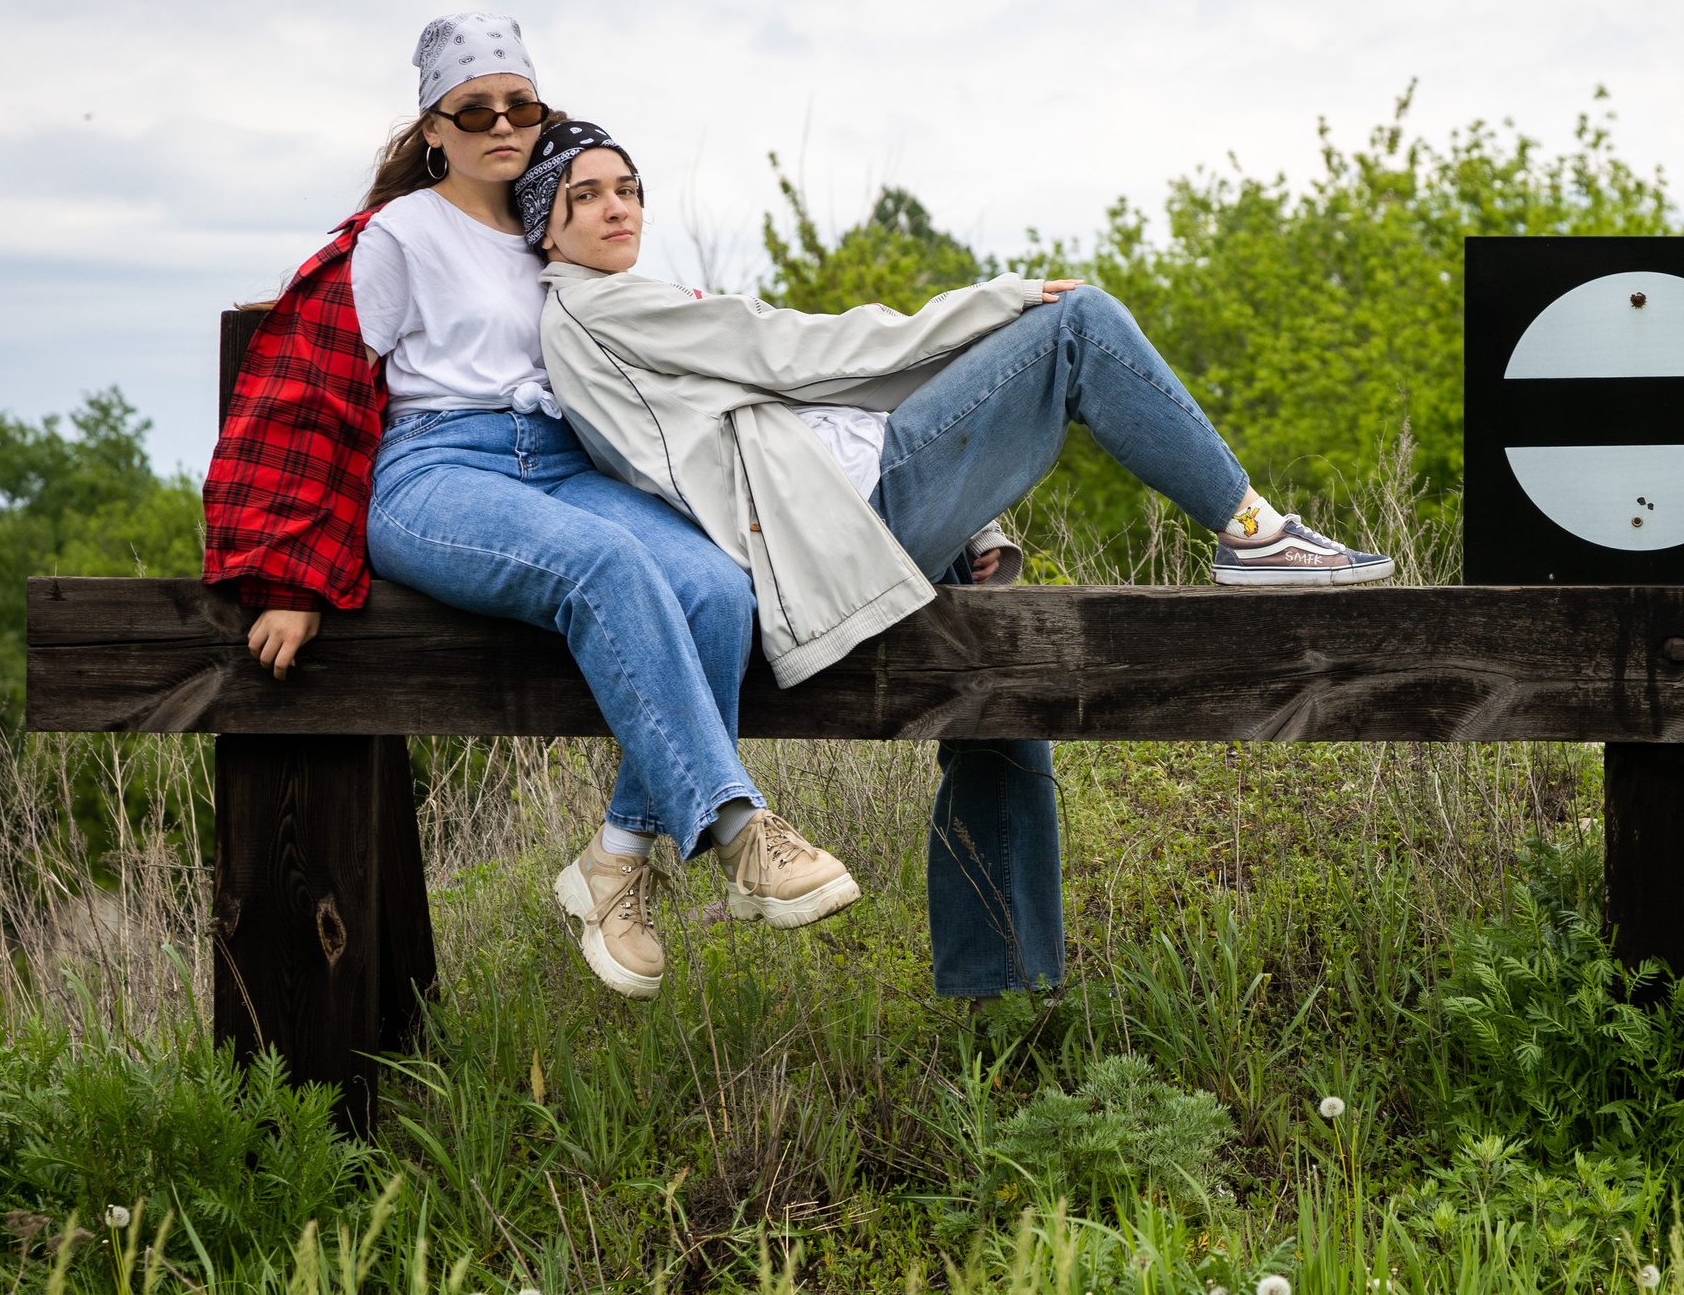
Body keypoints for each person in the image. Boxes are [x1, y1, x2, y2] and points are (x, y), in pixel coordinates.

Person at [513, 124, 1396, 1001]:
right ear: (544, 229)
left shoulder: (621, 310)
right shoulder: (602, 308)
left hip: (843, 514)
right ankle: (1254, 532)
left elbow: (796, 407)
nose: (615, 207)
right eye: (583, 196)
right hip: (842, 529)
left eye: (626, 188)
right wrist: (991, 304)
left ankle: (1000, 990)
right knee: (1076, 322)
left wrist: (975, 520)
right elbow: (800, 350)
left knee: (999, 680)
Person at [201, 14, 858, 1008]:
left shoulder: (556, 222)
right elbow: (310, 395)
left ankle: (615, 864)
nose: (501, 125)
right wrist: (287, 579)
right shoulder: (396, 237)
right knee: (603, 566)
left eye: (521, 106)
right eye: (475, 110)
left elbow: (688, 351)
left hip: (560, 465)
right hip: (438, 475)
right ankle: (736, 830)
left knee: (717, 589)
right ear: (436, 127)